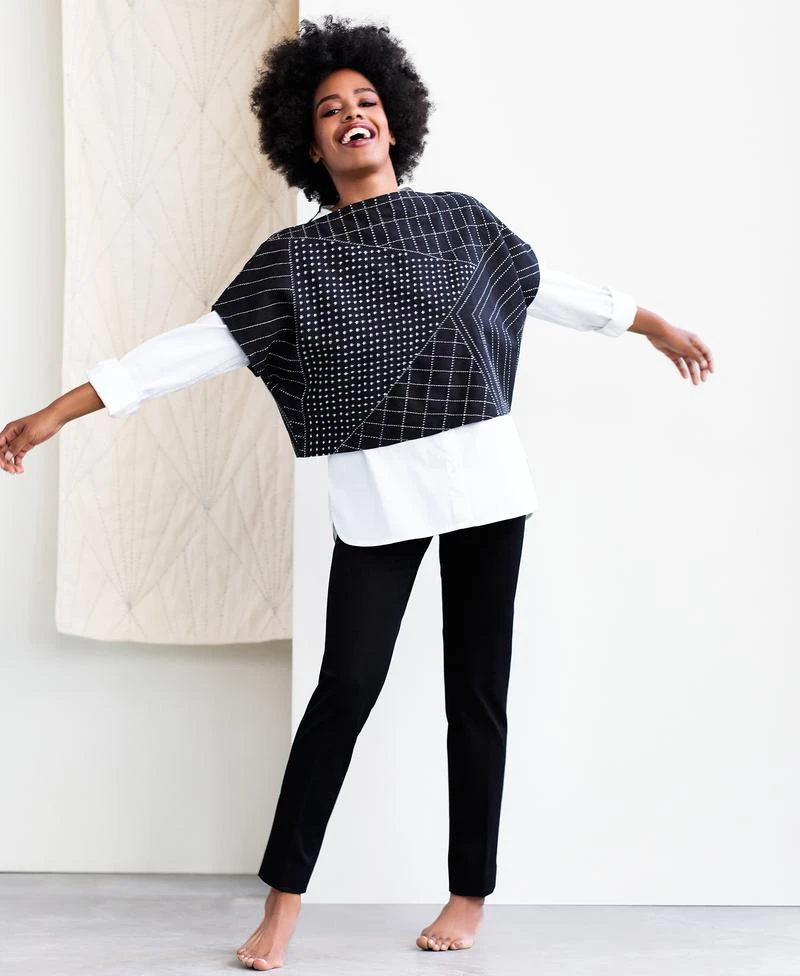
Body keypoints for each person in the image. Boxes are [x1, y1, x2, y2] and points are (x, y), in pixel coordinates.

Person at [0, 14, 714, 972]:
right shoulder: (292, 263)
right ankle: (283, 903)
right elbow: (192, 350)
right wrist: (59, 411)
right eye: (330, 110)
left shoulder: (462, 221)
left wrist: (652, 325)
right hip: (379, 501)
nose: (352, 116)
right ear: (309, 141)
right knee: (344, 691)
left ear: (395, 120)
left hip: (488, 488)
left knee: (478, 698)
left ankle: (469, 895)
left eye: (366, 101)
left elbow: (551, 286)